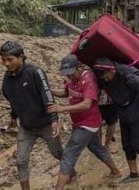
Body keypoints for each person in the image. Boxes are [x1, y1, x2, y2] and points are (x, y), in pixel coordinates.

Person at [47, 54, 121, 190]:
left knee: (69, 153)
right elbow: (65, 92)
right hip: (81, 122)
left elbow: (87, 104)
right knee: (96, 148)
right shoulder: (72, 79)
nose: (69, 77)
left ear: (79, 67)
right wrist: (48, 90)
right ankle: (116, 172)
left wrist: (62, 109)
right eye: (66, 75)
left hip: (88, 123)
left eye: (71, 73)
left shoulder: (89, 80)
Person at [0, 41, 66, 190]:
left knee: (58, 153)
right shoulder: (7, 78)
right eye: (3, 60)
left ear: (21, 56)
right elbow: (13, 99)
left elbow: (47, 96)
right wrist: (13, 117)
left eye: (10, 59)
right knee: (21, 160)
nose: (6, 64)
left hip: (45, 124)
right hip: (26, 127)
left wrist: (54, 120)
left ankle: (72, 173)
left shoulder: (35, 72)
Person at [92, 57, 139, 183]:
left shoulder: (127, 73)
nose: (105, 80)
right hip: (123, 112)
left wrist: (131, 77)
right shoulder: (102, 78)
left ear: (112, 71)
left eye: (106, 77)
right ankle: (134, 174)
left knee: (138, 145)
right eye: (102, 79)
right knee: (127, 145)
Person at [98, 89, 118, 154]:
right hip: (97, 98)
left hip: (109, 99)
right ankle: (101, 145)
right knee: (97, 123)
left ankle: (106, 145)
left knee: (112, 122)